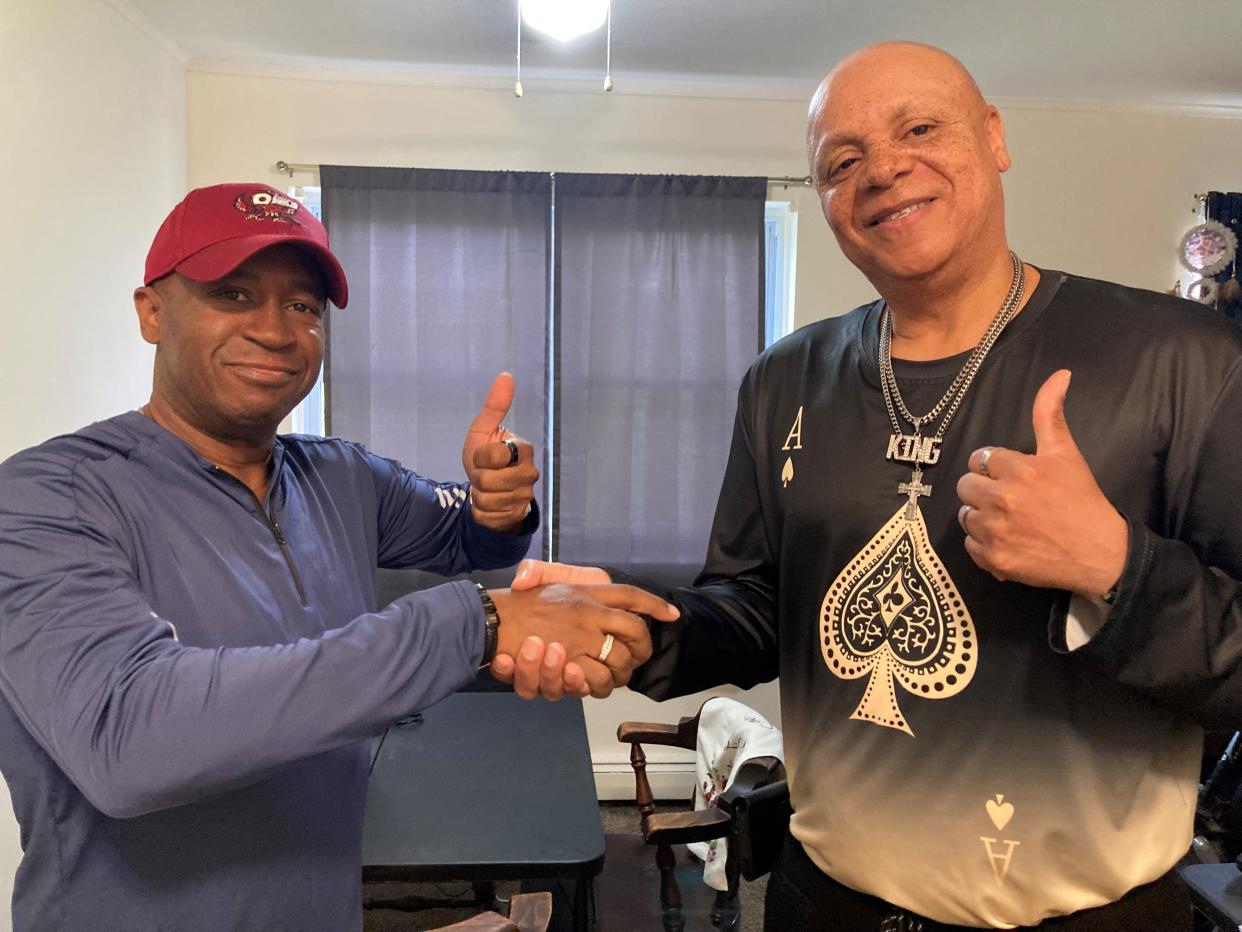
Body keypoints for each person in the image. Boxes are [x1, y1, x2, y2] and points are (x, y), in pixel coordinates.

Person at [511, 42, 1242, 929]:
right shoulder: (786, 377)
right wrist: (636, 629)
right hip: (825, 901)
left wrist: (1116, 569)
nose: (884, 170)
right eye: (841, 162)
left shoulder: (1186, 363)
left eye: (921, 128)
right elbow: (752, 605)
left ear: (996, 137)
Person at [0, 182, 677, 931]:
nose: (277, 330)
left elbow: (462, 540)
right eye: (234, 293)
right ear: (152, 311)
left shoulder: (341, 475)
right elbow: (126, 739)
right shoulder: (45, 498)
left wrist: (499, 505)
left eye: (303, 306)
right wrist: (478, 624)